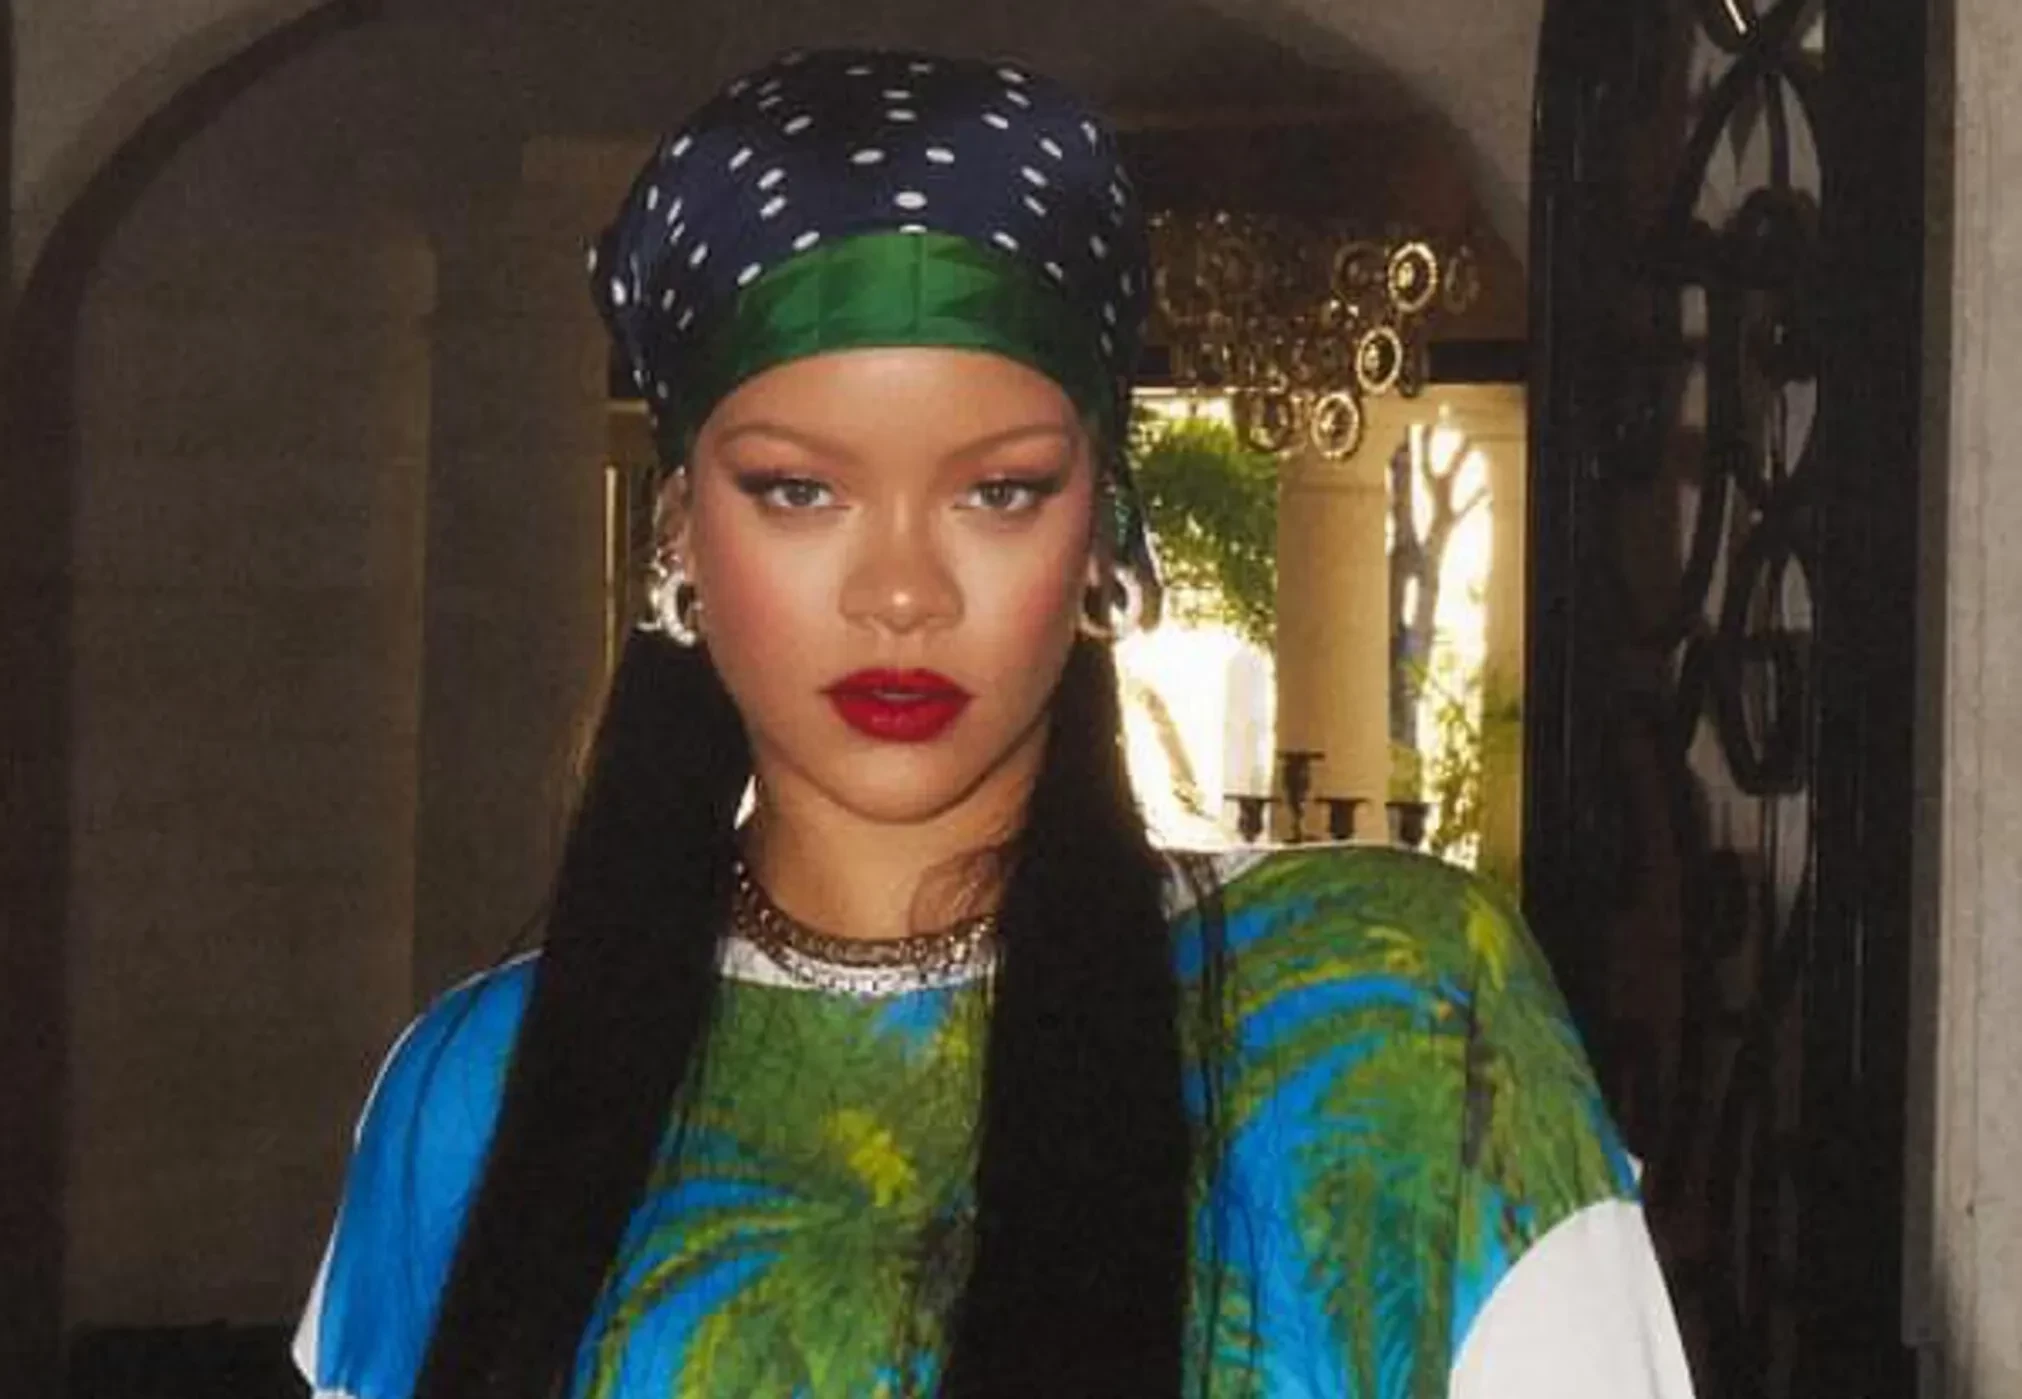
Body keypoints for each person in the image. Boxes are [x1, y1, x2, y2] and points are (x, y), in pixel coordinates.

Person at [292, 47, 1697, 1399]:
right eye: (798, 490)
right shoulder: (476, 1091)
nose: (902, 590)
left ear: (1102, 529)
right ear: (679, 530)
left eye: (999, 490)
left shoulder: (1389, 1010)